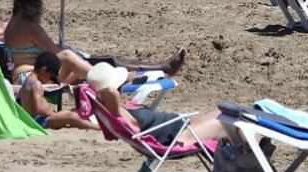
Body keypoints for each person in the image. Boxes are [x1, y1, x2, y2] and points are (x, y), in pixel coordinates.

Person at [0, 0, 186, 85]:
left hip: (26, 76)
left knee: (97, 61)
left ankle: (152, 69)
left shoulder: (12, 24)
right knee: (87, 59)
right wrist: (73, 54)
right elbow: (56, 55)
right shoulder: (30, 26)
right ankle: (113, 78)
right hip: (34, 79)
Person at [88, 61, 229, 147]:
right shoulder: (116, 111)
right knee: (230, 123)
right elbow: (111, 92)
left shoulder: (118, 107)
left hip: (183, 126)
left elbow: (111, 93)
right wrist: (115, 83)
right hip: (180, 137)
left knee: (225, 114)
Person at [19, 52, 97, 131]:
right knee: (70, 116)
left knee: (67, 114)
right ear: (44, 70)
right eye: (50, 77)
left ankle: (90, 125)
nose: (49, 80)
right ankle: (97, 128)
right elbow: (40, 109)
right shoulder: (36, 84)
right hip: (39, 121)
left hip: (35, 119)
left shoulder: (28, 81)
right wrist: (54, 115)